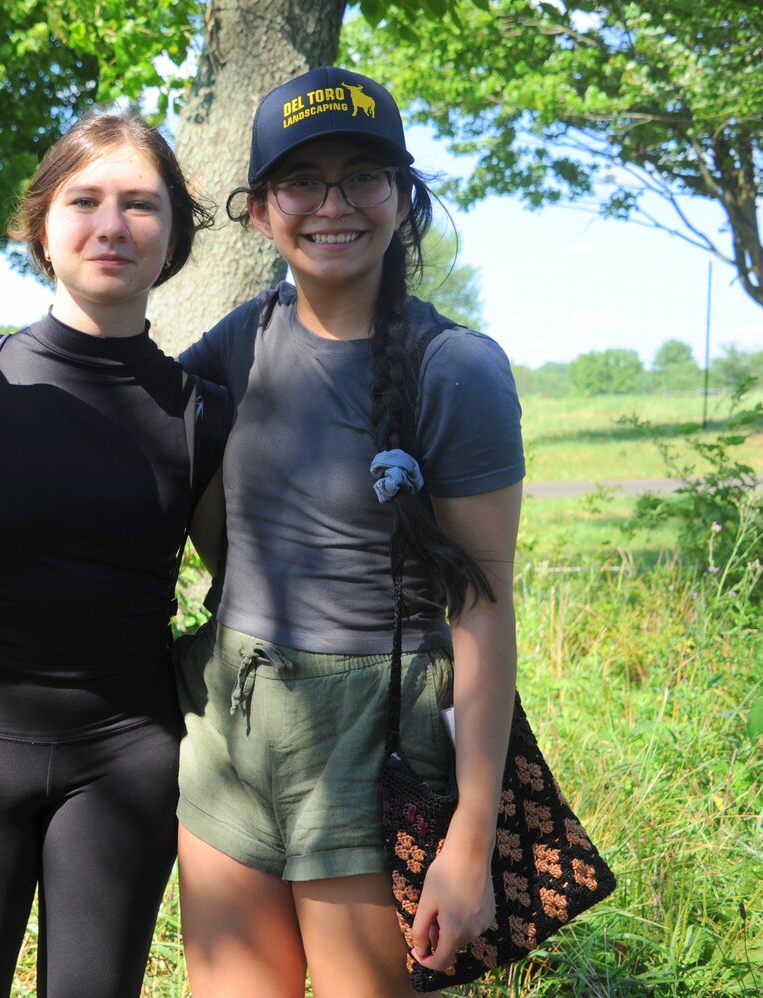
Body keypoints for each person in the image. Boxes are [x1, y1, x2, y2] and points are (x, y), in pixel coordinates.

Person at [169, 67, 524, 997]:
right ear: (259, 211)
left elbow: (482, 609)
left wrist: (471, 837)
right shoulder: (240, 341)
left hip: (377, 738)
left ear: (402, 197)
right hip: (228, 725)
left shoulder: (458, 371)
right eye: (301, 181)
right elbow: (120, 404)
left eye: (363, 176)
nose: (333, 205)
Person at [0, 113, 229, 998]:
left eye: (139, 205)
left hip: (128, 757)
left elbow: (253, 586)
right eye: (84, 201)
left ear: (173, 233)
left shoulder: (202, 412)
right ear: (42, 225)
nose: (111, 227)